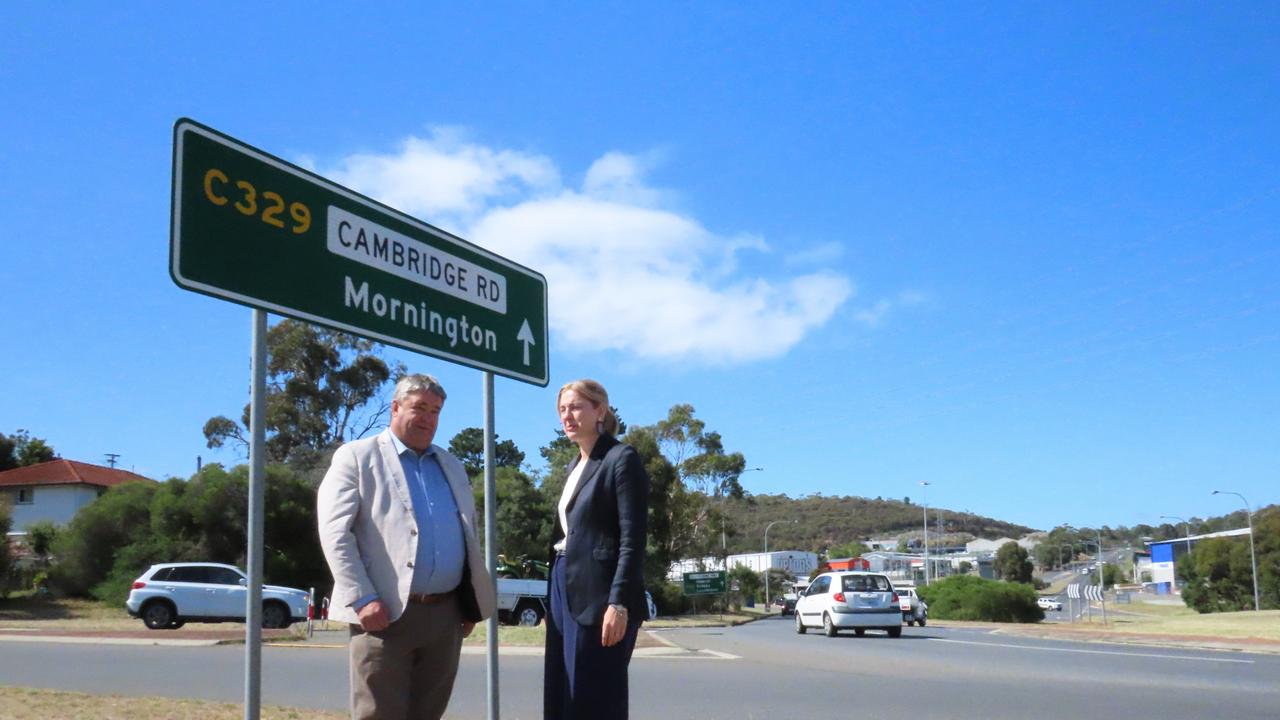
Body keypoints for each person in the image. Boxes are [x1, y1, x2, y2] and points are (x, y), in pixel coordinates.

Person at [317, 373, 495, 720]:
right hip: (383, 614)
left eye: (436, 410)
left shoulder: (452, 465)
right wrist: (363, 598)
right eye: (419, 408)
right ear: (395, 408)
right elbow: (335, 532)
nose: (428, 418)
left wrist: (467, 603)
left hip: (445, 617)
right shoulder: (356, 457)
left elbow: (467, 533)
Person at [544, 379, 650, 719]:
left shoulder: (621, 458)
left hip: (600, 594)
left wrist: (618, 602)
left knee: (596, 697)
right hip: (564, 586)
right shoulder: (574, 466)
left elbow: (632, 539)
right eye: (562, 410)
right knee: (563, 691)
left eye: (575, 407)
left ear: (599, 410)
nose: (567, 416)